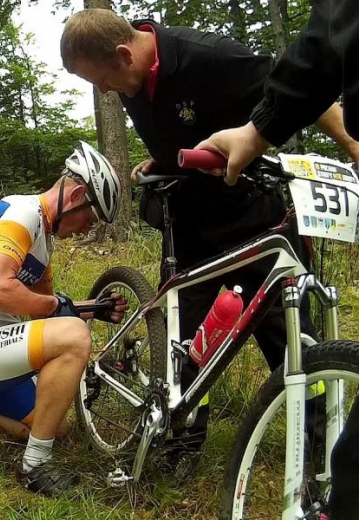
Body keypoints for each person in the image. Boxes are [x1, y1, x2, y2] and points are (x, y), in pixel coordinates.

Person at [60, 8, 359, 473]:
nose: (104, 91)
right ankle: (184, 439)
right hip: (189, 226)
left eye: (102, 80)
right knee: (184, 339)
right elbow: (177, 127)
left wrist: (354, 145)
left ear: (123, 53)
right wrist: (158, 160)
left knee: (290, 335)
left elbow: (306, 91)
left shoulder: (211, 57)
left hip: (253, 216)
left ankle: (317, 447)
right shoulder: (131, 78)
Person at [194, 1, 358, 516]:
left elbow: (318, 50)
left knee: (288, 322)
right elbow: (321, 48)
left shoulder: (212, 56)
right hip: (206, 221)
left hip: (263, 209)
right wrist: (258, 130)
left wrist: (345, 144)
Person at [0, 142, 128, 495]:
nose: (84, 230)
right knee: (74, 338)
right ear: (76, 195)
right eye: (89, 219)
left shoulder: (43, 238)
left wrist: (96, 308)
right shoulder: (22, 213)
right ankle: (35, 467)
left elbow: (45, 306)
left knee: (52, 427)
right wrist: (61, 312)